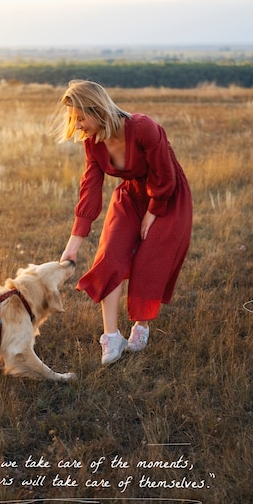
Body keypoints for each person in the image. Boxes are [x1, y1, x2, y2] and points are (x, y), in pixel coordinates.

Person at [55, 80, 192, 366]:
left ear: (99, 109)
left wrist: (153, 211)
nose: (77, 125)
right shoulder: (92, 144)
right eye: (73, 119)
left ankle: (141, 325)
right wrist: (74, 244)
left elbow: (165, 175)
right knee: (110, 257)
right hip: (129, 196)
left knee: (148, 261)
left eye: (80, 117)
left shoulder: (143, 128)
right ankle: (112, 336)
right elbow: (90, 189)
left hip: (166, 196)